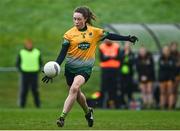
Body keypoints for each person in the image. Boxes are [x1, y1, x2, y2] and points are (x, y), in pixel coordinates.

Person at [42, 6, 138, 127]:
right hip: (70, 69)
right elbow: (62, 54)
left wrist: (127, 38)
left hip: (85, 69)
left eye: (78, 19)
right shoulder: (69, 34)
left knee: (74, 88)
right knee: (76, 93)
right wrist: (54, 69)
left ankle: (62, 117)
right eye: (74, 19)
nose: (76, 21)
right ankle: (88, 112)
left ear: (85, 19)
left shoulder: (94, 32)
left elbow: (109, 35)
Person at [16, 39, 43, 108]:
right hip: (25, 74)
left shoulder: (37, 52)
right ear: (25, 45)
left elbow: (40, 62)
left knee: (35, 90)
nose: (29, 45)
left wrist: (38, 69)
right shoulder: (22, 52)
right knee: (24, 90)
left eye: (30, 44)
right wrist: (21, 70)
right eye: (27, 44)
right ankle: (22, 106)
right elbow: (18, 63)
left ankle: (38, 105)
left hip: (34, 74)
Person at [99, 39, 121, 109]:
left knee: (114, 88)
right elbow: (102, 58)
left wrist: (107, 57)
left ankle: (114, 104)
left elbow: (119, 57)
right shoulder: (102, 46)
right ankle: (102, 104)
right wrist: (112, 57)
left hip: (115, 70)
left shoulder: (116, 46)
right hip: (105, 69)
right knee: (104, 87)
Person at [158, 46, 176, 110]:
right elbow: (162, 66)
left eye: (167, 50)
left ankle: (170, 107)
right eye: (165, 50)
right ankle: (163, 106)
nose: (166, 51)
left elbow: (173, 67)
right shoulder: (161, 58)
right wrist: (168, 65)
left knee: (170, 92)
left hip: (170, 78)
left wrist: (166, 65)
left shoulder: (172, 58)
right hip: (162, 77)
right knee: (162, 92)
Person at [119, 41, 135, 108]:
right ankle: (122, 103)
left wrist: (128, 55)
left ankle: (130, 103)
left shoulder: (132, 54)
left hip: (129, 74)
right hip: (122, 74)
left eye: (128, 45)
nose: (127, 46)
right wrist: (125, 55)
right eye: (126, 45)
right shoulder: (121, 52)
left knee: (129, 89)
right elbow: (120, 60)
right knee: (122, 89)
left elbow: (132, 62)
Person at [169, 42, 180, 109]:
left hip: (177, 75)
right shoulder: (169, 54)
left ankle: (175, 104)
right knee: (171, 91)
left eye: (175, 46)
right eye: (173, 46)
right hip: (170, 75)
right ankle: (170, 104)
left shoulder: (178, 54)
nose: (174, 47)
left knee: (175, 91)